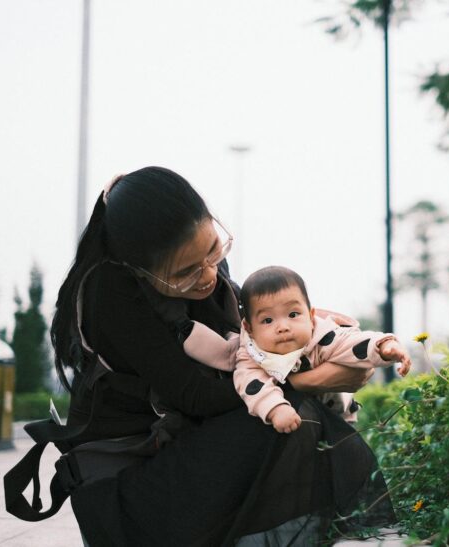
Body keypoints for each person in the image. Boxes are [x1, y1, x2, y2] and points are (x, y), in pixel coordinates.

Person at [46, 167, 394, 546]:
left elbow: (249, 340)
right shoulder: (108, 293)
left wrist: (309, 325)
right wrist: (307, 380)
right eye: (186, 273)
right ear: (139, 269)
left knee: (287, 414)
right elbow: (196, 396)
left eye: (214, 250)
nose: (209, 274)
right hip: (128, 494)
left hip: (181, 454)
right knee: (283, 412)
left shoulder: (207, 272)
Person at [179, 265, 412, 433]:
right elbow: (251, 384)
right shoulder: (252, 355)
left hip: (339, 420)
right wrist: (275, 409)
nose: (283, 327)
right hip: (292, 424)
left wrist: (384, 347)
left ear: (311, 316)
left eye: (293, 315)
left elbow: (352, 342)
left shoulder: (321, 336)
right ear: (249, 329)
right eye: (267, 321)